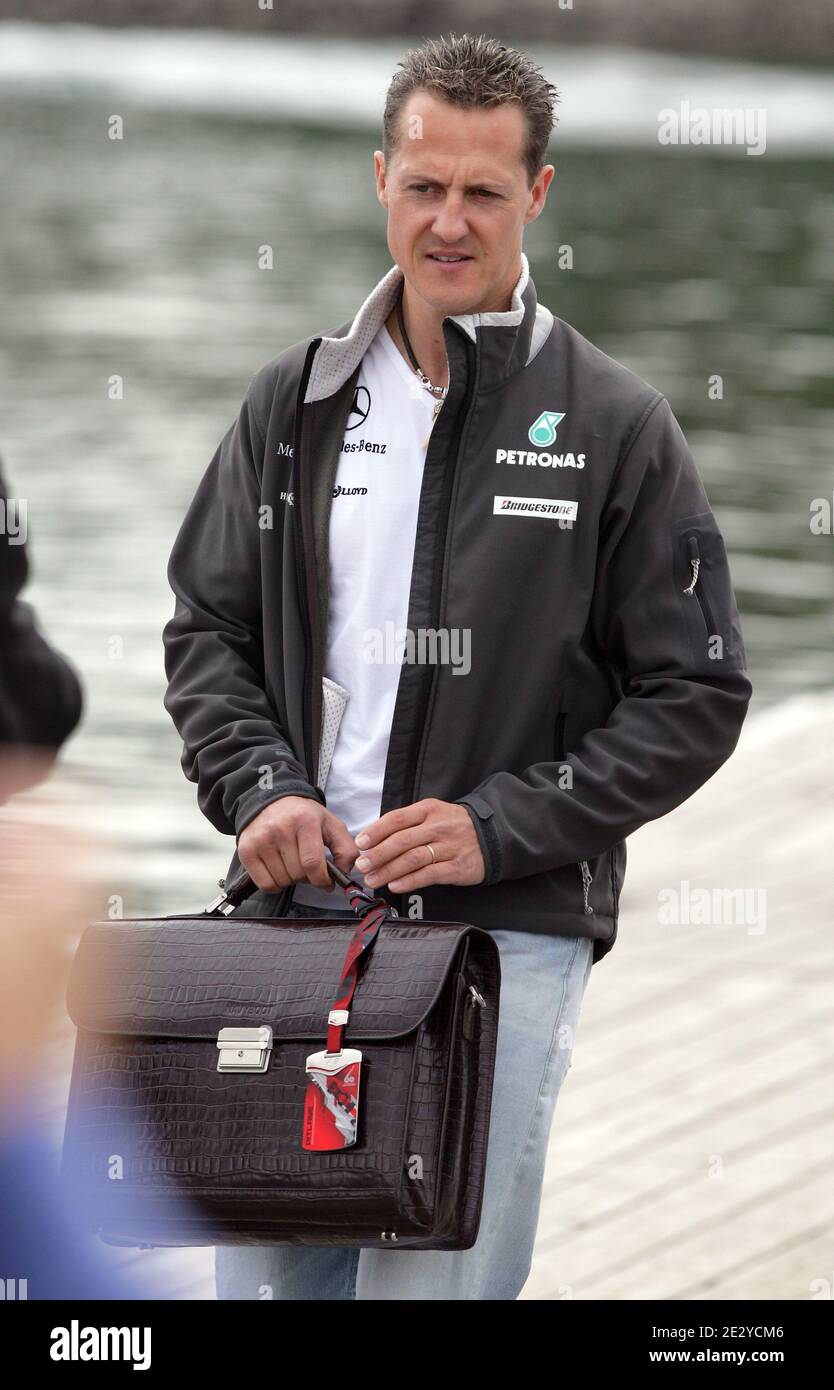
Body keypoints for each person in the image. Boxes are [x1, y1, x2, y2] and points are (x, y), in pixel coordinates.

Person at [162, 33, 752, 1300]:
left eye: (484, 191)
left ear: (537, 196)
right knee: (268, 1295)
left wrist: (498, 828)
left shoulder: (616, 425)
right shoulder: (295, 404)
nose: (448, 220)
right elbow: (205, 628)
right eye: (424, 185)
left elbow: (697, 691)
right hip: (294, 924)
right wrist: (260, 787)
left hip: (506, 937)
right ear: (382, 178)